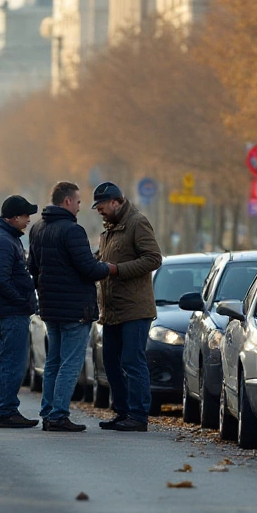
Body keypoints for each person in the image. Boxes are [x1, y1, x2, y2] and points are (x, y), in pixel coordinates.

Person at [28, 181, 116, 432]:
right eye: (78, 201)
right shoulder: (72, 231)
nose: (79, 207)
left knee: (53, 361)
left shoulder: (38, 228)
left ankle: (48, 410)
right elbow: (88, 268)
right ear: (67, 201)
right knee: (70, 362)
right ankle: (58, 414)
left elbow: (32, 268)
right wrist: (108, 267)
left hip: (50, 307)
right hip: (76, 309)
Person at [92, 182, 162, 432]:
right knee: (110, 361)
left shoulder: (137, 222)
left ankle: (138, 415)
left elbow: (153, 258)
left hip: (135, 309)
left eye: (101, 207)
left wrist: (117, 270)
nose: (99, 211)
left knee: (132, 361)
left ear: (115, 202)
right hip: (112, 310)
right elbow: (101, 259)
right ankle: (122, 412)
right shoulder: (109, 230)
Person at [0, 195, 40, 428]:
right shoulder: (3, 242)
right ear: (12, 218)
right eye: (25, 216)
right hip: (10, 312)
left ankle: (4, 409)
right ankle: (6, 410)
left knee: (3, 360)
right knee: (13, 361)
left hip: (2, 310)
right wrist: (22, 300)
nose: (29, 220)